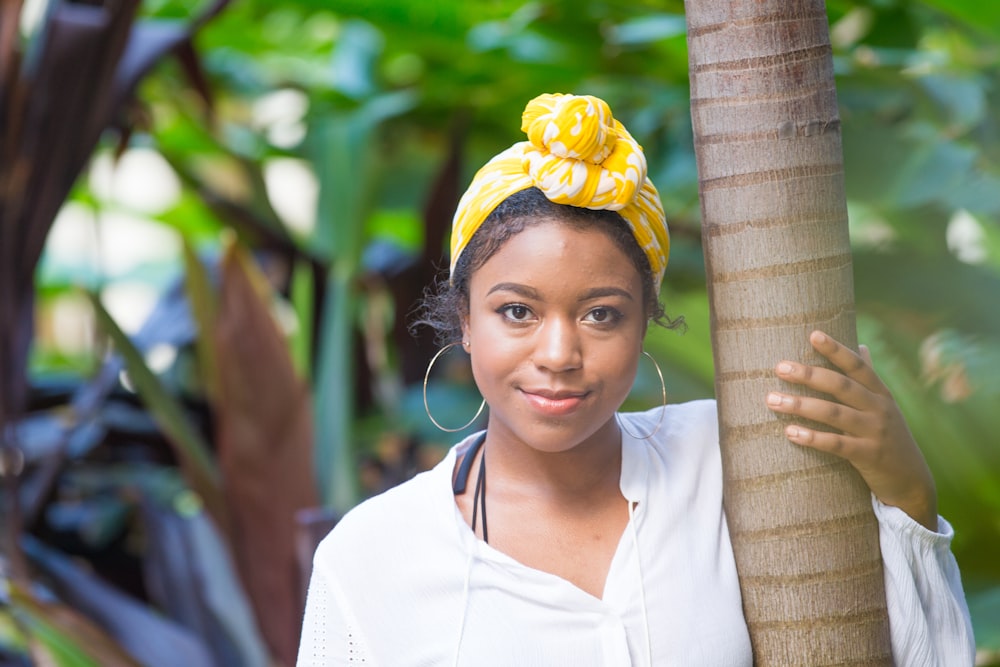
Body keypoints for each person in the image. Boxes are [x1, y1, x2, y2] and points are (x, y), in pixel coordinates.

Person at [297, 93, 975, 665]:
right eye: (516, 311)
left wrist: (907, 490)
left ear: (644, 321)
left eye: (600, 313)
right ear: (464, 320)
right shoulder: (371, 559)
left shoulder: (734, 458)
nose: (559, 351)